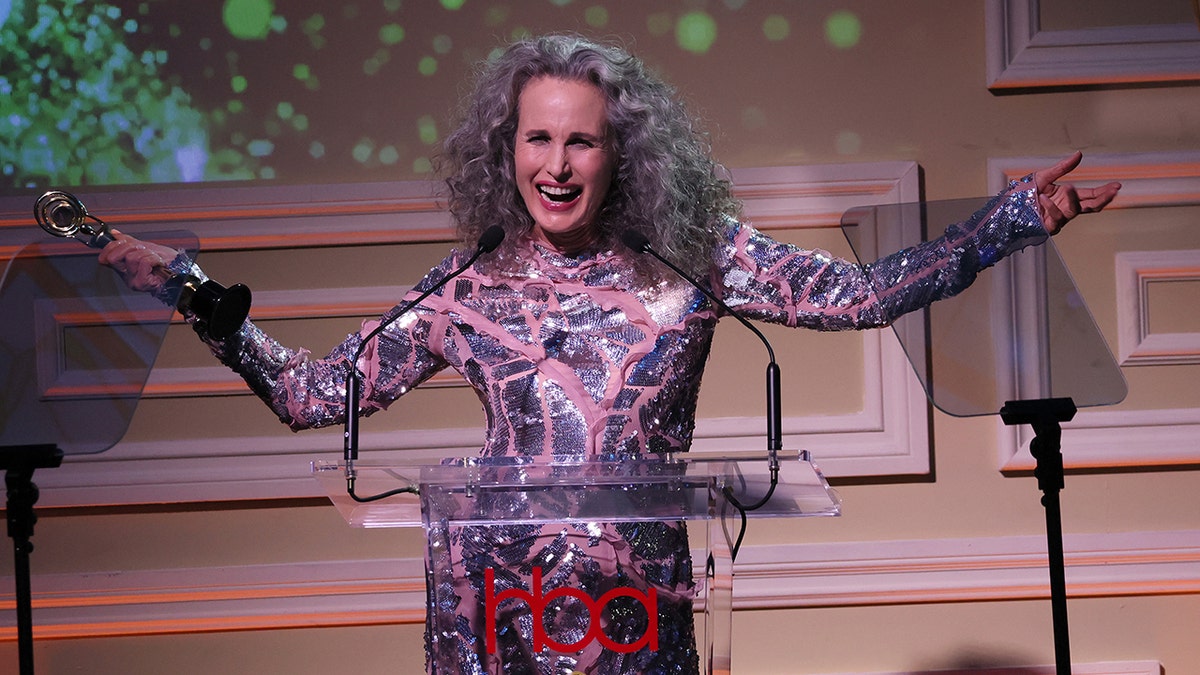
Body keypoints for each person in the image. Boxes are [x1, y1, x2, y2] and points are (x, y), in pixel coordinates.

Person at [99, 33, 1121, 675]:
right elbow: (322, 395)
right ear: (505, 151)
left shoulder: (695, 258)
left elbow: (857, 297)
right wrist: (193, 294)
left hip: (639, 607)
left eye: (580, 141)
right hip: (489, 599)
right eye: (537, 141)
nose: (556, 165)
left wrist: (1011, 220)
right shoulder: (472, 284)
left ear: (622, 150)